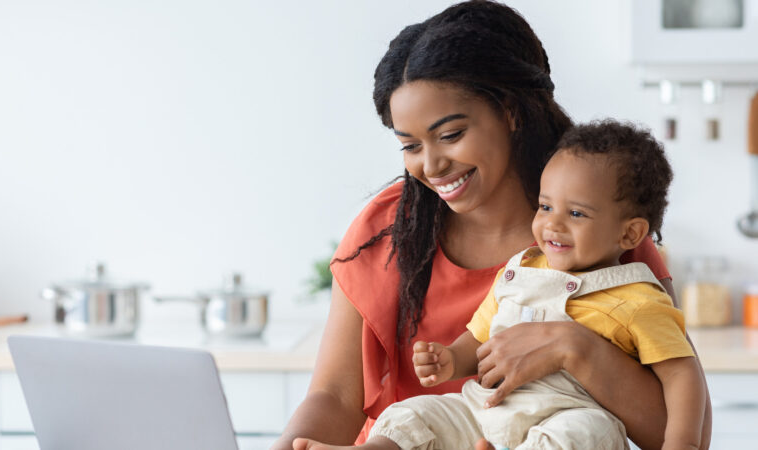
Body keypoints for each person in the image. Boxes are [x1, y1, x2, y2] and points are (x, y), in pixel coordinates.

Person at [272, 2, 712, 449]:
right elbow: (334, 394)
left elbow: (681, 427)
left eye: (450, 135)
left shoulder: (599, 231)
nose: (432, 164)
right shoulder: (387, 226)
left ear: (510, 111)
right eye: (409, 145)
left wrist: (573, 348)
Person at [294, 120, 706, 450]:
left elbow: (681, 374)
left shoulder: (637, 297)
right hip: (485, 410)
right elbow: (481, 336)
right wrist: (452, 361)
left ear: (631, 234)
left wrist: (682, 443)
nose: (552, 224)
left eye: (576, 214)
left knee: (587, 433)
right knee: (418, 412)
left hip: (562, 417)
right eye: (545, 206)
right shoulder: (520, 271)